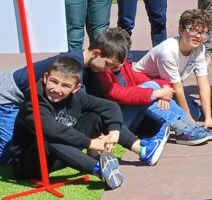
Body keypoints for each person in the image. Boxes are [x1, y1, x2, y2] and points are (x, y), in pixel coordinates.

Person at [10, 57, 166, 189]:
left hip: (64, 153)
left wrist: (114, 131)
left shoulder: (77, 96)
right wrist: (90, 143)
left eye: (65, 86)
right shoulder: (34, 99)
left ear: (76, 88)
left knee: (96, 116)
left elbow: (109, 107)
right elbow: (51, 129)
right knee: (49, 138)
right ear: (45, 78)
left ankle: (142, 150)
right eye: (53, 81)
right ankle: (100, 170)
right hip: (31, 164)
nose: (57, 89)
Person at [86, 27, 212, 144]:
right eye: (116, 60)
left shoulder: (122, 65)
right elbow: (116, 93)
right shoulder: (103, 68)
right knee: (145, 94)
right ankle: (182, 129)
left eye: (123, 59)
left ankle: (188, 125)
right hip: (116, 122)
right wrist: (154, 94)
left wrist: (164, 89)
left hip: (132, 116)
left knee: (151, 85)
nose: (118, 64)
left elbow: (140, 79)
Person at [133, 9, 212, 132]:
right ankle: (142, 121)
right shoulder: (168, 51)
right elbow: (176, 86)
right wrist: (188, 120)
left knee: (196, 114)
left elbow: (204, 84)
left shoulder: (200, 49)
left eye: (203, 32)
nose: (198, 36)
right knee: (182, 118)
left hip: (169, 86)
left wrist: (208, 118)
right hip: (146, 84)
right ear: (181, 30)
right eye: (193, 30)